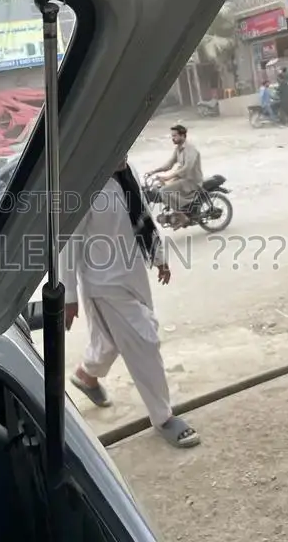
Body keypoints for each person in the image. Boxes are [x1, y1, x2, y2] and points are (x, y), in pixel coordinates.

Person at [60, 156, 200, 449]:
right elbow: (68, 242)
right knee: (144, 339)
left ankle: (87, 375)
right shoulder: (85, 184)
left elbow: (143, 214)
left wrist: (159, 257)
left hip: (133, 274)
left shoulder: (127, 170)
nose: (123, 153)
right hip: (104, 282)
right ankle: (163, 417)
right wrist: (69, 297)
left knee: (111, 340)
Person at [146, 125, 203, 223]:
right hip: (182, 179)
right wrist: (154, 171)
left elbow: (186, 169)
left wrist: (168, 177)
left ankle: (182, 216)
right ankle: (174, 212)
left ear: (183, 136)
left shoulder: (190, 149)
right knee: (158, 186)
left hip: (191, 181)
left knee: (164, 191)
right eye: (172, 136)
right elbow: (169, 164)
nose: (173, 138)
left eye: (175, 136)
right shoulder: (178, 149)